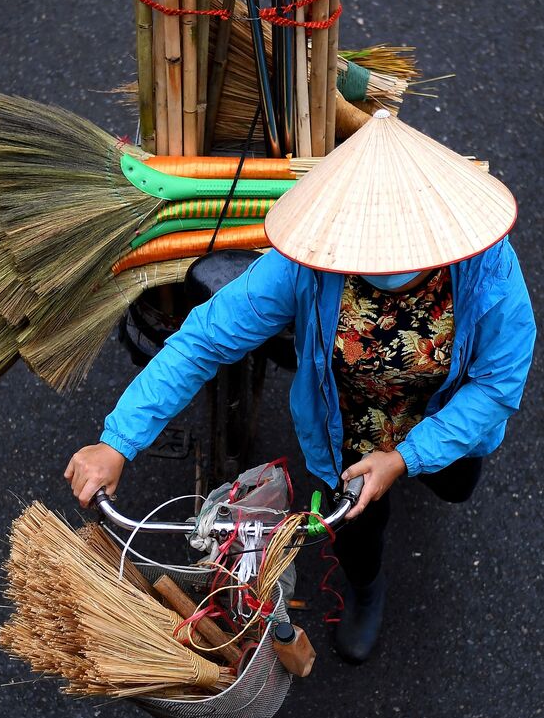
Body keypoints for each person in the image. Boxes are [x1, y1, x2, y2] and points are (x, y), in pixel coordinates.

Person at [65, 112, 536, 664]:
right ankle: (366, 591)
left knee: (453, 485)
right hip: (350, 431)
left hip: (450, 418)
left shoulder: (489, 269)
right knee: (357, 530)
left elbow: (497, 387)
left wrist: (407, 458)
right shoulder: (313, 262)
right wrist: (118, 439)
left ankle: (419, 473)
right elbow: (204, 341)